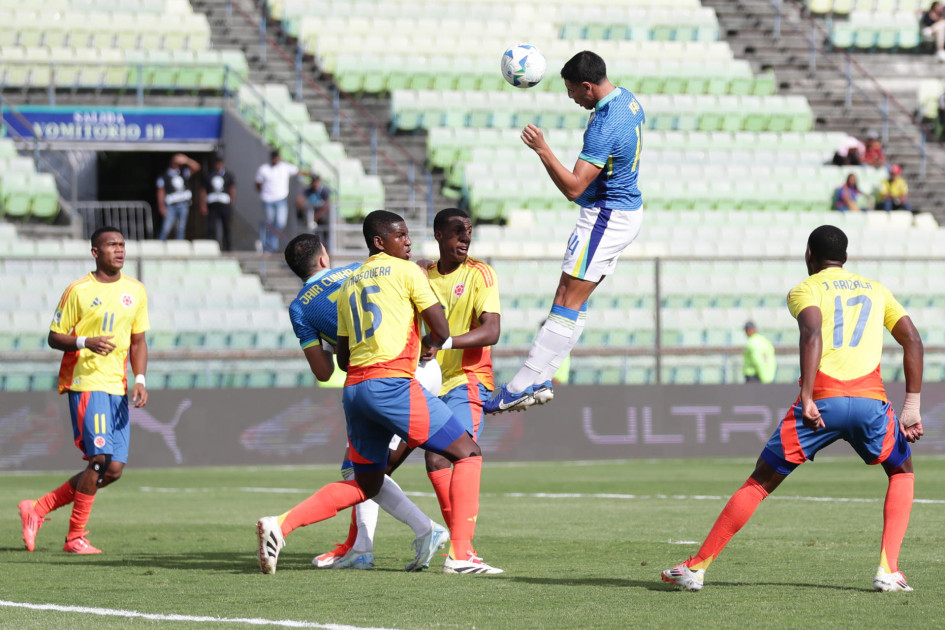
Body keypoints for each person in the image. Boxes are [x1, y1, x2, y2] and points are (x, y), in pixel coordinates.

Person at [662, 225, 924, 593]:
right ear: (846, 258)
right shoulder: (876, 290)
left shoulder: (805, 289)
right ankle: (889, 570)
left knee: (760, 482)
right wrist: (911, 406)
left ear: (809, 256)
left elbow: (811, 333)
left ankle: (696, 568)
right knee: (901, 471)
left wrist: (807, 396)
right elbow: (913, 340)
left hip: (824, 401)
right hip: (870, 403)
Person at [256, 211, 487, 575]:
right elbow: (438, 324)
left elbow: (333, 365)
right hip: (401, 378)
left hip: (356, 387)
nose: (408, 242)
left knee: (364, 479)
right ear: (324, 257)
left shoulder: (324, 295)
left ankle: (287, 527)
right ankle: (459, 552)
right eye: (402, 236)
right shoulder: (372, 271)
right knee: (465, 453)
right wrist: (428, 342)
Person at [485, 50, 645, 414]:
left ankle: (520, 385)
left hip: (606, 217)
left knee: (565, 298)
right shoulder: (627, 100)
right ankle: (543, 377)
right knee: (576, 299)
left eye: (572, 90)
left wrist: (542, 149)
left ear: (588, 86)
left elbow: (574, 187)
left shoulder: (605, 125)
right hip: (623, 211)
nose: (571, 97)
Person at [281, 232, 445, 571]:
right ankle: (362, 548)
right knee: (362, 468)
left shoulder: (299, 308)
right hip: (414, 368)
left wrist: (331, 340)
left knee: (364, 469)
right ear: (324, 257)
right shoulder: (358, 270)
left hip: (393, 378)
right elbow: (413, 277)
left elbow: (324, 372)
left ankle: (428, 531)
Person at [18, 226, 150, 554]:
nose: (119, 250)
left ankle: (38, 508)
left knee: (114, 470)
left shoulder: (135, 290)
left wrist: (140, 379)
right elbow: (54, 336)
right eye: (111, 245)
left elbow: (138, 341)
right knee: (98, 459)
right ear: (95, 252)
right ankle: (74, 537)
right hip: (86, 382)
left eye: (122, 245)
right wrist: (85, 342)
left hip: (118, 387)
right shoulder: (78, 290)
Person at [422, 208, 504, 574]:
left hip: (466, 380)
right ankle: (459, 548)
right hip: (427, 381)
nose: (466, 237)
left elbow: (492, 331)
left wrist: (444, 341)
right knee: (433, 460)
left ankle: (461, 550)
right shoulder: (422, 275)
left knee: (455, 454)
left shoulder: (480, 273)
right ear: (439, 235)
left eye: (469, 231)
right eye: (457, 231)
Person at [255, 150, 308, 253]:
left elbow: (298, 171)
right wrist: (265, 192)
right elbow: (258, 183)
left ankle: (270, 244)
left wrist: (309, 173)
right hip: (268, 200)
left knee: (280, 223)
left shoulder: (285, 167)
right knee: (270, 223)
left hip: (280, 200)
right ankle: (270, 246)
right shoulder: (264, 169)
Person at [156, 153, 200, 241]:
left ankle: (179, 245)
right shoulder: (164, 175)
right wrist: (161, 206)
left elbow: (197, 167)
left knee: (181, 228)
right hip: (171, 206)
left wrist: (186, 160)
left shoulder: (183, 173)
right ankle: (160, 244)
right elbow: (160, 192)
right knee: (166, 227)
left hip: (183, 204)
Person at [200, 153, 236, 252]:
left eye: (220, 162)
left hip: (225, 205)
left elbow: (232, 188)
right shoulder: (209, 175)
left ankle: (228, 248)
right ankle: (211, 247)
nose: (218, 165)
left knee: (227, 227)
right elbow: (203, 191)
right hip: (212, 205)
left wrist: (232, 201)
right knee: (211, 227)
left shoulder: (228, 175)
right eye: (217, 163)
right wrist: (203, 205)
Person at [295, 172, 332, 241]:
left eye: (316, 181)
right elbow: (299, 200)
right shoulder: (309, 190)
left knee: (324, 223)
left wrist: (316, 216)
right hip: (312, 215)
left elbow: (327, 205)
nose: (315, 183)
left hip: (321, 215)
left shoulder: (324, 191)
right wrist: (302, 207)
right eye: (313, 181)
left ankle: (326, 243)